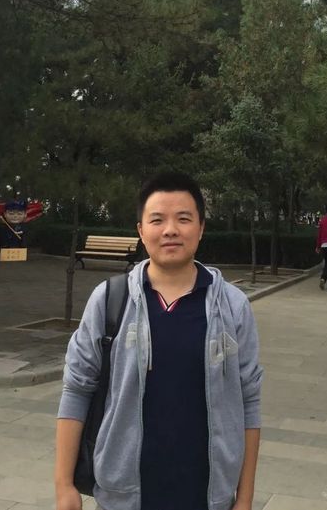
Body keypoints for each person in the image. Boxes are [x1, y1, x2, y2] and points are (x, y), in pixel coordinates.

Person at [55, 172, 263, 510]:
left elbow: (249, 401)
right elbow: (77, 389)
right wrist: (64, 485)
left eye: (183, 219)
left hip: (207, 497)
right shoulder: (109, 301)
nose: (170, 230)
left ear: (201, 228)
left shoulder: (233, 306)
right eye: (157, 220)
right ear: (141, 230)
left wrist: (245, 498)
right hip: (123, 498)